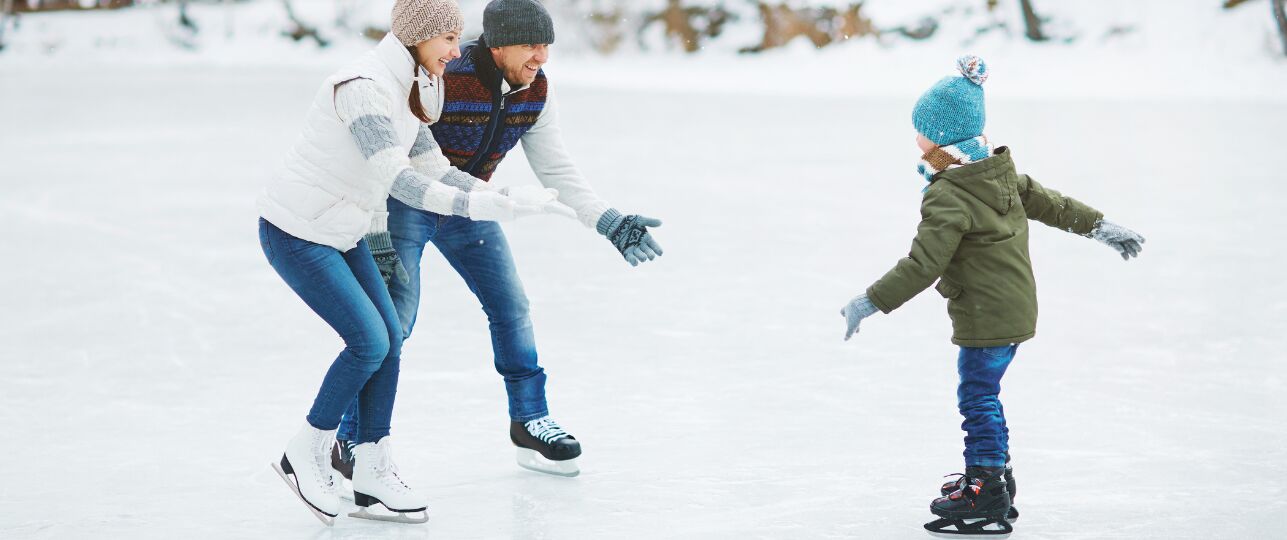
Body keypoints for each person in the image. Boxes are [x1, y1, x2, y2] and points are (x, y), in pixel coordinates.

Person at [257, 0, 569, 525]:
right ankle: (306, 449)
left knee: (390, 338)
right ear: (417, 38)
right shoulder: (362, 87)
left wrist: (506, 196)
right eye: (448, 39)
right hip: (299, 231)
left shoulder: (418, 87)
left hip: (352, 228)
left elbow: (435, 168)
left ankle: (371, 467)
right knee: (369, 341)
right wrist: (479, 205)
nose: (457, 50)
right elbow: (397, 178)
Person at [333, 0, 664, 479]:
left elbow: (556, 168)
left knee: (512, 307)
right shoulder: (444, 72)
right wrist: (376, 226)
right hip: (407, 205)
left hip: (472, 206)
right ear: (499, 43)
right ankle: (349, 438)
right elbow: (385, 155)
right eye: (532, 45)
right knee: (393, 324)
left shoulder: (536, 91)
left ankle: (529, 420)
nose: (542, 57)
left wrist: (606, 220)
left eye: (547, 45)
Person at [838, 56, 1146, 535]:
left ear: (939, 136)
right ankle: (995, 476)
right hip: (1010, 304)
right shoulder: (993, 172)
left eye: (921, 131)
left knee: (978, 397)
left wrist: (870, 301)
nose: (917, 139)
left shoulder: (949, 193)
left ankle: (986, 488)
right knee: (986, 397)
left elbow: (924, 263)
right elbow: (1055, 205)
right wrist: (1102, 228)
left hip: (985, 312)